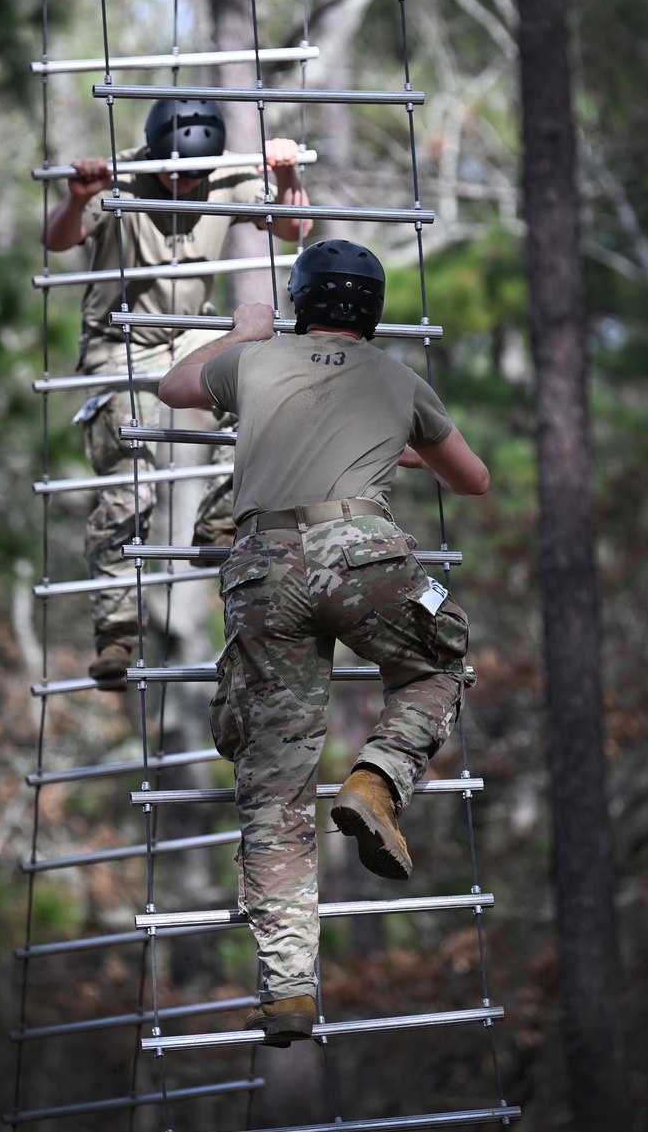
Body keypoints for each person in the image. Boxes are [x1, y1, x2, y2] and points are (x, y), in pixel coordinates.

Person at [157, 239, 490, 1046]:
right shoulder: (399, 380)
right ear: (373, 311)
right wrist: (390, 440)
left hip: (264, 568)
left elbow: (169, 386)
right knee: (438, 661)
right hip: (366, 555)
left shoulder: (256, 361)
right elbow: (472, 479)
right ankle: (377, 779)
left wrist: (244, 331)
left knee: (274, 789)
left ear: (302, 301)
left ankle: (288, 990)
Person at [42, 98, 309, 689]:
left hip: (193, 335)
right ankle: (115, 632)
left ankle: (217, 520)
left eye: (192, 175)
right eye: (172, 173)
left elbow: (294, 229)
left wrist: (286, 174)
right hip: (121, 343)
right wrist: (80, 197)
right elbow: (58, 239)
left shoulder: (223, 175)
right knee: (127, 491)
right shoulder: (123, 177)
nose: (182, 183)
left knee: (263, 399)